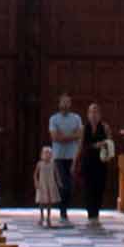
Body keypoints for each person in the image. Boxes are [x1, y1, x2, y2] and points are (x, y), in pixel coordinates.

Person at [48, 91, 83, 226]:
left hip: (72, 156)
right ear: (59, 103)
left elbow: (79, 135)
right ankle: (63, 212)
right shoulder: (54, 119)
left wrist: (64, 137)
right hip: (58, 157)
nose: (65, 104)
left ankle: (64, 210)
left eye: (68, 102)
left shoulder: (76, 118)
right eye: (63, 102)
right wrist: (71, 136)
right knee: (63, 184)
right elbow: (54, 137)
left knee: (70, 185)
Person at [78, 101, 111, 225]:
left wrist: (104, 146)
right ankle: (90, 214)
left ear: (100, 114)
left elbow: (109, 143)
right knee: (88, 187)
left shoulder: (105, 127)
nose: (93, 114)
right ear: (88, 114)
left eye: (96, 111)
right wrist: (75, 162)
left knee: (99, 187)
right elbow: (81, 145)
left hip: (100, 162)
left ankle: (96, 213)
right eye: (91, 112)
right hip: (87, 161)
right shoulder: (83, 128)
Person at [34, 143, 58, 227]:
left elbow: (56, 174)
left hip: (50, 184)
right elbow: (35, 174)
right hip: (42, 184)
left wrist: (59, 182)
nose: (47, 155)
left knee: (49, 202)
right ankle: (41, 216)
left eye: (49, 153)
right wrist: (36, 182)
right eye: (45, 153)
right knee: (41, 201)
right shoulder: (40, 164)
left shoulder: (53, 164)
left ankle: (48, 217)